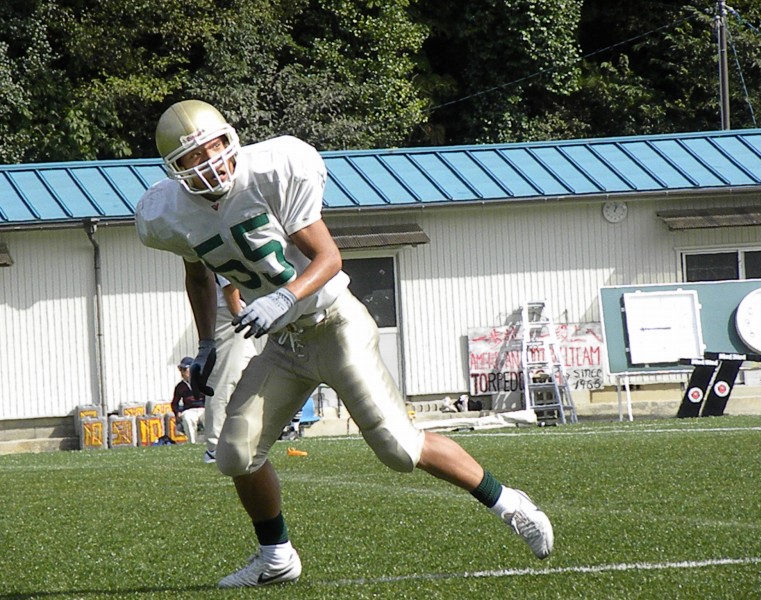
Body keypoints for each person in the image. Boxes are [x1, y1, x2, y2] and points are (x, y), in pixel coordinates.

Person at [135, 99, 553, 588]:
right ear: (175, 168)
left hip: (334, 323)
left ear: (231, 139)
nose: (210, 162)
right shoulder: (168, 214)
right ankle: (276, 557)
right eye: (193, 156)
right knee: (235, 454)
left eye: (214, 147)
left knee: (399, 449)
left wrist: (282, 297)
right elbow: (198, 274)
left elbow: (328, 257)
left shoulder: (271, 171)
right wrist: (208, 342)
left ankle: (509, 504)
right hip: (284, 343)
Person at [202, 275, 258, 464]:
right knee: (223, 380)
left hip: (228, 310)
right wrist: (239, 315)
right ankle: (215, 446)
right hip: (227, 313)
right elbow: (228, 283)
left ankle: (245, 436)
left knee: (252, 373)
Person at [171, 356, 206, 444]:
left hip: (203, 408)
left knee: (208, 417)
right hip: (189, 410)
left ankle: (211, 442)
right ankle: (192, 442)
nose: (182, 372)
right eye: (181, 369)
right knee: (187, 418)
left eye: (184, 369)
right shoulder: (180, 387)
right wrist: (177, 412)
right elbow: (174, 403)